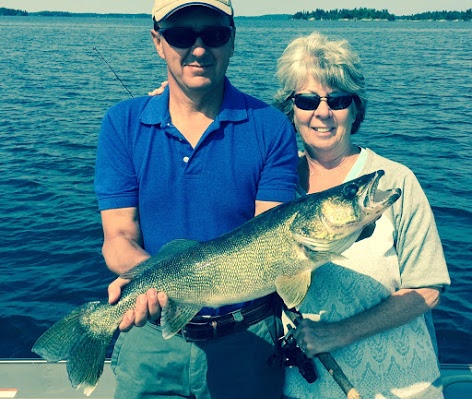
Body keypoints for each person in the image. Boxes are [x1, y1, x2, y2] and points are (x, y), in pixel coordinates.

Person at [94, 0, 299, 398]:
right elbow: (118, 237)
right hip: (149, 343)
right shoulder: (121, 123)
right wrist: (151, 283)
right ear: (158, 42)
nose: (200, 49)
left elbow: (271, 240)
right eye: (182, 35)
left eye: (215, 34)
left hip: (248, 341)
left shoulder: (271, 127)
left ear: (233, 40)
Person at [273, 32, 451, 399]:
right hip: (305, 390)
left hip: (405, 386)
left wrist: (338, 333)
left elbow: (428, 289)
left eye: (337, 100)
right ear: (290, 110)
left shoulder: (393, 182)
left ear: (355, 109)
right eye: (307, 100)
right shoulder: (272, 186)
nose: (322, 112)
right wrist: (177, 102)